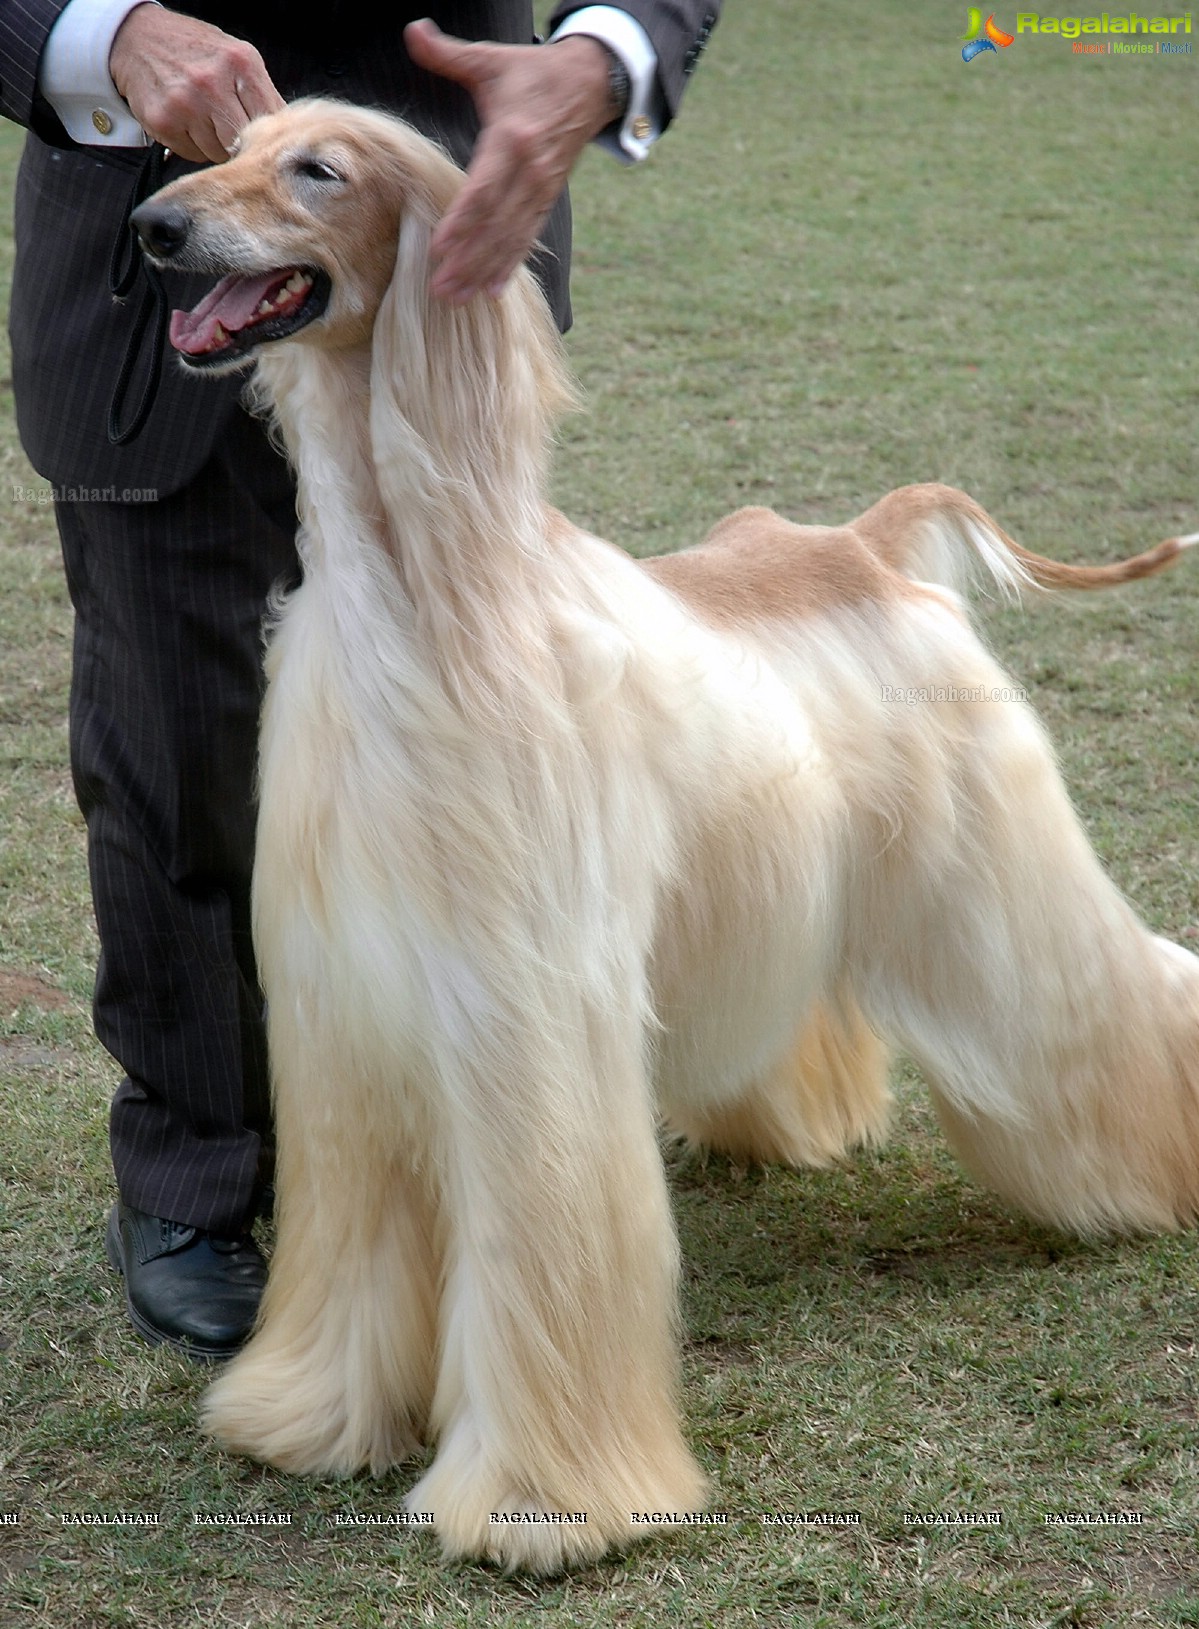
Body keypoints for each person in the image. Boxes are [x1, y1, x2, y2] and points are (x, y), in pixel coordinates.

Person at [0, 1, 720, 1359]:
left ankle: (491, 1160)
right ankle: (200, 1179)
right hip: (135, 295)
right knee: (183, 767)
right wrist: (92, 31)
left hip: (451, 252)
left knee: (481, 789)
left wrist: (602, 53)